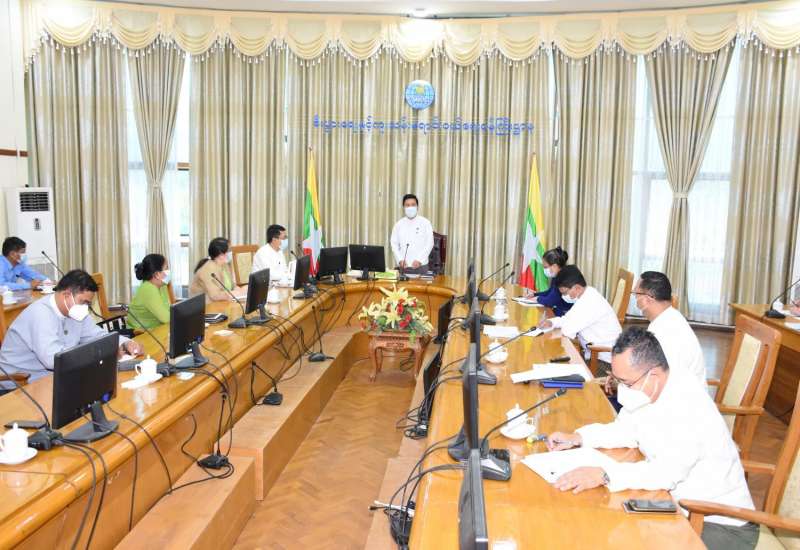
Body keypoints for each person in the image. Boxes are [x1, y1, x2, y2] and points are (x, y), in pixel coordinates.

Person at [546, 328, 757, 550]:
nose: (621, 389)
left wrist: (604, 474)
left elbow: (665, 473)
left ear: (653, 375)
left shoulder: (689, 406)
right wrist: (579, 437)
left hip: (717, 522)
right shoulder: (649, 387)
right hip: (673, 505)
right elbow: (625, 430)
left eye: (626, 382)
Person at [0, 270, 143, 390]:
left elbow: (97, 335)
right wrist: (98, 353)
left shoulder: (75, 312)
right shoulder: (41, 314)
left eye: (88, 304)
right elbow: (53, 360)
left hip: (51, 378)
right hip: (19, 384)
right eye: (84, 302)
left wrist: (124, 343)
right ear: (66, 295)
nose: (85, 307)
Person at [633, 271, 706, 386]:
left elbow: (659, 380)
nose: (635, 299)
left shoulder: (667, 331)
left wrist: (624, 383)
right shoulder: (668, 317)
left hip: (681, 394)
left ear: (647, 298)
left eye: (636, 294)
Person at [540, 265, 621, 365]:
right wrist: (551, 322)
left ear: (577, 287)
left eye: (565, 293)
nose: (564, 296)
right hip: (593, 353)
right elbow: (568, 319)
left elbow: (567, 331)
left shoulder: (589, 302)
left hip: (603, 362)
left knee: (553, 361)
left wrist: (545, 336)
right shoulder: (587, 294)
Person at [189, 237, 244, 303]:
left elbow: (231, 286)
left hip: (223, 303)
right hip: (206, 306)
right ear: (221, 253)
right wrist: (235, 293)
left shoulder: (225, 265)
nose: (231, 252)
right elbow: (215, 295)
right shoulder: (208, 269)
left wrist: (239, 290)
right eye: (229, 250)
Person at [390, 193, 434, 275]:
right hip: (404, 267)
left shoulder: (425, 223)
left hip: (421, 267)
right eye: (407, 205)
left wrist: (420, 260)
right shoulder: (398, 224)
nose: (410, 207)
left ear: (417, 207)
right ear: (403, 207)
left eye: (413, 205)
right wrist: (400, 259)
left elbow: (430, 243)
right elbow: (394, 244)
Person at [524, 246, 572, 316]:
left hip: (566, 315)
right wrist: (535, 294)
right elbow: (550, 292)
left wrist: (538, 298)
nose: (544, 270)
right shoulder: (557, 275)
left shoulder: (564, 278)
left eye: (545, 267)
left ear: (554, 266)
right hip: (559, 311)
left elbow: (551, 301)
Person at [128, 254, 171, 330]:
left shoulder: (161, 286)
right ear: (157, 274)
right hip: (139, 333)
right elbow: (166, 318)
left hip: (156, 329)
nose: (169, 271)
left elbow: (168, 310)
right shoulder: (148, 289)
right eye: (166, 268)